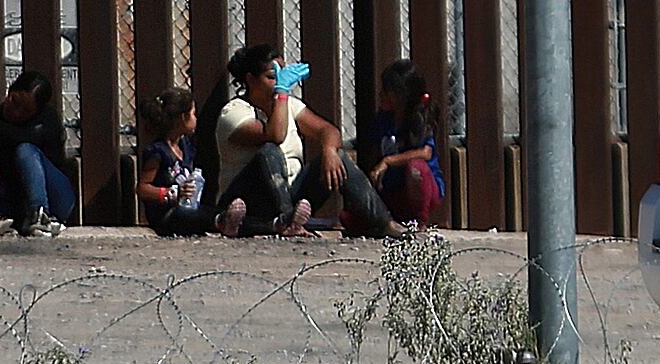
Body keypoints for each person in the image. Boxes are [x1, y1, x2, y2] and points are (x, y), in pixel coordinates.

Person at [208, 43, 406, 239]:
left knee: (339, 156)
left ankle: (383, 222)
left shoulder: (289, 106)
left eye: (282, 75)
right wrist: (282, 93)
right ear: (251, 79)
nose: (279, 82)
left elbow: (327, 130)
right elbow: (274, 135)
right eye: (272, 77)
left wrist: (329, 150)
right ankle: (287, 220)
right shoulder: (234, 112)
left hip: (290, 194)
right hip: (246, 201)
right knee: (269, 151)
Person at [0, 71, 73, 238]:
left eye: (26, 110)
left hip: (55, 195)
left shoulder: (47, 119)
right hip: (14, 199)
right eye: (14, 102)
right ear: (9, 92)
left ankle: (40, 215)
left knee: (25, 150)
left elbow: (24, 138)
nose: (16, 112)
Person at [358, 60, 446, 229]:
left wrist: (388, 161)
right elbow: (373, 152)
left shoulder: (419, 121)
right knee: (353, 219)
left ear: (401, 95)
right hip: (393, 189)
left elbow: (425, 153)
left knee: (416, 168)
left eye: (387, 91)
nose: (381, 94)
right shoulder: (383, 120)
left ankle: (419, 222)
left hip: (420, 189)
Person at [134, 89, 216, 236]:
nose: (196, 119)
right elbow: (143, 188)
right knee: (192, 217)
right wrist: (173, 193)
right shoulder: (158, 152)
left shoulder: (185, 146)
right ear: (183, 118)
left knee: (207, 211)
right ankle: (221, 222)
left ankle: (267, 225)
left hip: (187, 207)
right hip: (167, 215)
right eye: (193, 114)